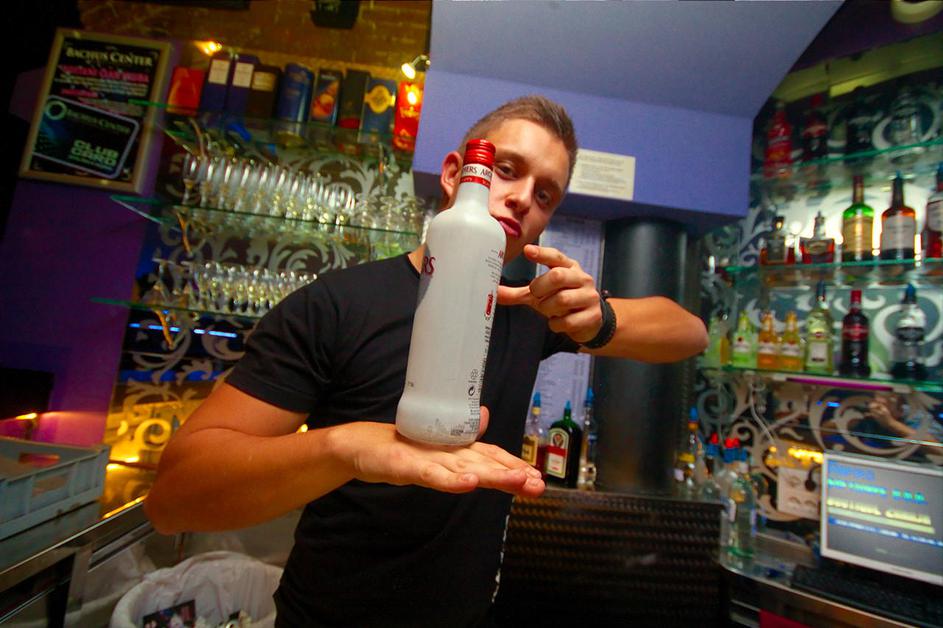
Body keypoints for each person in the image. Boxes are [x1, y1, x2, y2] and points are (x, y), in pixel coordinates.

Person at [144, 95, 708, 627]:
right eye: (506, 170)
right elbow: (174, 499)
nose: (522, 199)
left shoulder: (527, 312)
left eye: (545, 195)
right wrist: (347, 448)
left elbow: (689, 333)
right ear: (454, 174)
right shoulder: (339, 304)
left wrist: (598, 319)